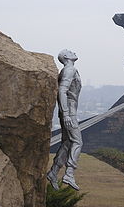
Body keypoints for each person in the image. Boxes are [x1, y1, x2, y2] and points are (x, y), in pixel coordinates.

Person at [47, 49, 82, 191]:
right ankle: (69, 173)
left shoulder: (68, 70)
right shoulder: (69, 70)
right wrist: (66, 113)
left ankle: (53, 172)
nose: (74, 52)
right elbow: (62, 90)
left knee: (67, 142)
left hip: (67, 110)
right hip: (69, 111)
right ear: (66, 57)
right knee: (77, 141)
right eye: (70, 51)